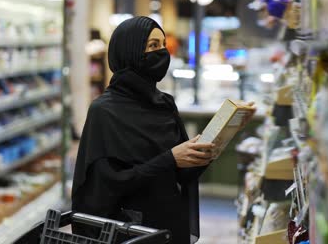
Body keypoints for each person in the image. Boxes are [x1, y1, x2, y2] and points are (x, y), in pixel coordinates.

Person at [71, 16, 218, 244]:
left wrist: (205, 153)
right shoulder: (105, 111)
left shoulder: (165, 104)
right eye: (152, 46)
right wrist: (169, 159)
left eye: (162, 45)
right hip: (130, 231)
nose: (161, 53)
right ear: (129, 51)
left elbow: (180, 173)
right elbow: (104, 187)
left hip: (170, 224)